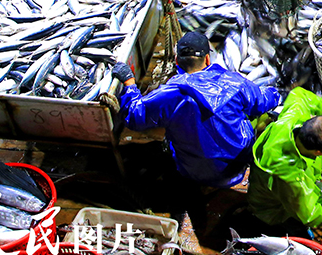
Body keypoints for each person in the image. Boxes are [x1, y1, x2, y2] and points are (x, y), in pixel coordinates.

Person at [111, 31, 279, 189]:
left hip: (192, 171)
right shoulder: (235, 82)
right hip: (237, 169)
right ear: (207, 59)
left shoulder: (167, 95)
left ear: (176, 61)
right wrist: (276, 91)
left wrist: (129, 83)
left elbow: (134, 116)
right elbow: (264, 102)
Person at [248, 87, 322, 234]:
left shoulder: (291, 121)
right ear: (318, 152)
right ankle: (281, 225)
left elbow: (299, 95)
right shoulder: (292, 178)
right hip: (273, 209)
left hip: (279, 180)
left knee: (320, 186)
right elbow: (312, 214)